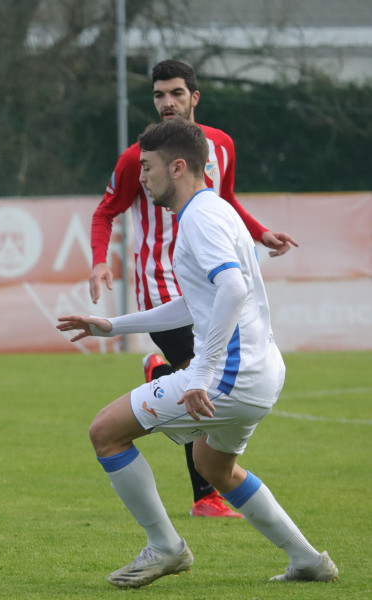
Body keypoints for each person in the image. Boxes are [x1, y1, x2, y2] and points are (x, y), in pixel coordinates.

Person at [58, 117, 338, 588]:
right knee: (213, 466)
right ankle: (308, 561)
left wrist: (202, 374)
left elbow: (231, 287)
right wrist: (112, 325)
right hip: (262, 371)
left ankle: (167, 548)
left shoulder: (201, 218)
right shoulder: (215, 210)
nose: (140, 177)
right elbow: (195, 302)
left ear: (179, 166)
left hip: (229, 375)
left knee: (105, 432)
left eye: (147, 167)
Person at [88, 59, 299, 518]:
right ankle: (205, 494)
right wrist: (100, 261)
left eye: (176, 94)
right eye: (159, 95)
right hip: (160, 285)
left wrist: (261, 233)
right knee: (198, 378)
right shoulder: (135, 157)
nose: (167, 103)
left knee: (198, 381)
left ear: (194, 98)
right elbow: (105, 211)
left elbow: (226, 203)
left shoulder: (220, 146)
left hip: (205, 282)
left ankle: (163, 383)